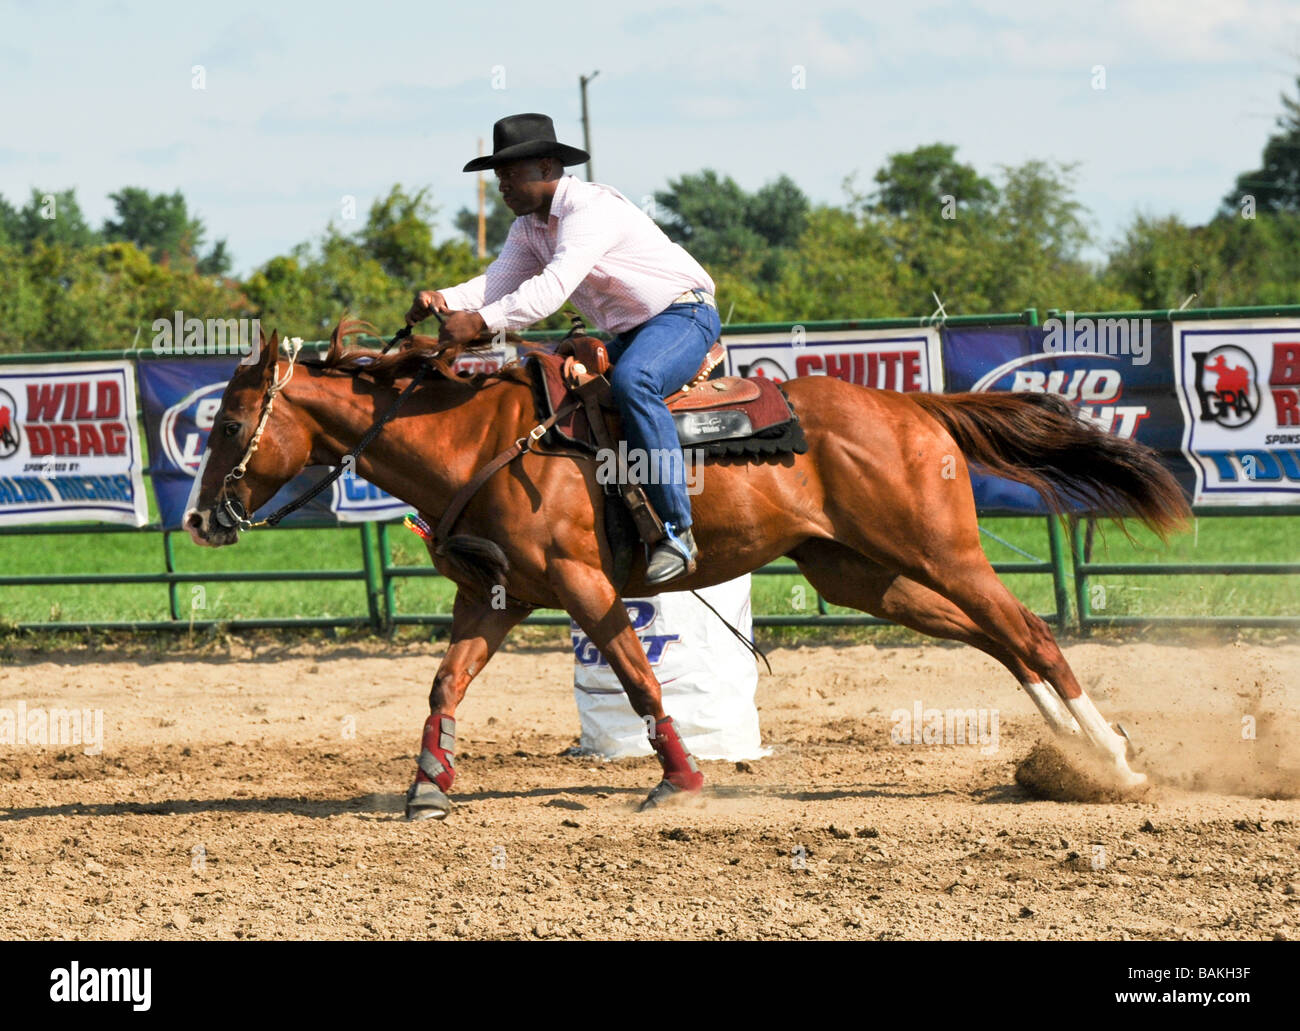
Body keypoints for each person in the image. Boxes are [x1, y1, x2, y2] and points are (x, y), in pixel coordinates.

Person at [407, 112, 720, 585]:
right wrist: (446, 299)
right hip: (636, 330)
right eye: (499, 177)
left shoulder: (590, 211)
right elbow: (498, 281)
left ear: (548, 168)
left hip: (683, 315)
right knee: (542, 375)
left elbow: (551, 289)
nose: (502, 186)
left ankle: (676, 530)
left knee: (636, 380)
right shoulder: (530, 227)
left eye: (510, 174)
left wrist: (479, 322)